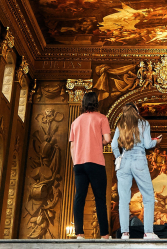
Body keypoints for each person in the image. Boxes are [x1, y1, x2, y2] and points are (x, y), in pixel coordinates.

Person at [112, 103, 161, 239]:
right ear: (136, 111)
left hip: (124, 159)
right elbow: (147, 144)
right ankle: (148, 232)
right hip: (139, 159)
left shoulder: (121, 124)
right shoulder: (144, 123)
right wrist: (156, 141)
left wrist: (118, 157)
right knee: (148, 196)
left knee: (123, 199)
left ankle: (125, 233)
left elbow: (113, 145)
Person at [68, 90, 112, 239]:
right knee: (100, 198)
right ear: (96, 102)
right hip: (95, 163)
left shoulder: (76, 121)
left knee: (79, 197)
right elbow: (107, 139)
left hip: (79, 164)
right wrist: (97, 141)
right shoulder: (102, 118)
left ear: (83, 103)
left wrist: (75, 164)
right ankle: (104, 235)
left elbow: (72, 146)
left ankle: (79, 233)